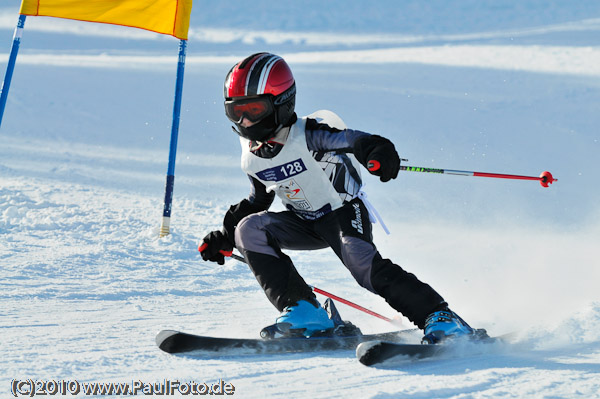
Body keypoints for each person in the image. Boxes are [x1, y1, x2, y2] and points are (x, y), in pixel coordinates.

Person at [199, 52, 476, 343]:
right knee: (249, 229)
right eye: (236, 112)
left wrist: (377, 151)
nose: (244, 120)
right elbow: (257, 200)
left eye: (254, 110)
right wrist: (226, 237)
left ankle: (440, 316)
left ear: (281, 102)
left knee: (360, 261)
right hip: (302, 222)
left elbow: (355, 140)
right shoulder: (251, 156)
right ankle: (305, 311)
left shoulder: (308, 135)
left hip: (342, 213)